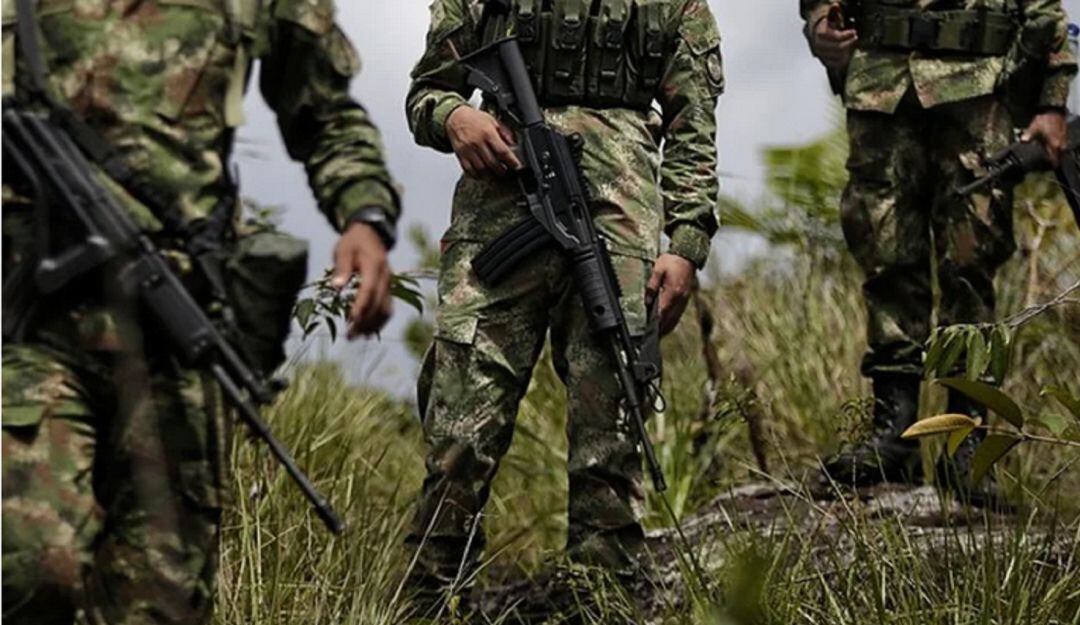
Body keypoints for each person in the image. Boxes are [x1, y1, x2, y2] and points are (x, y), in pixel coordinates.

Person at [1, 0, 400, 623]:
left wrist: (364, 217)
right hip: (29, 322)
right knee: (29, 566)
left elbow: (324, 111)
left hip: (175, 331)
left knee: (161, 601)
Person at [403, 0, 724, 614]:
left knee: (611, 424)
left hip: (619, 221)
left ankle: (601, 601)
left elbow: (694, 123)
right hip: (499, 208)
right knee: (460, 427)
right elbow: (425, 92)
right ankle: (431, 603)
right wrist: (455, 118)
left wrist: (686, 242)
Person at [802, 0, 1077, 503]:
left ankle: (965, 438)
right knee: (885, 256)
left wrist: (1052, 102)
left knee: (971, 263)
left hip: (977, 87)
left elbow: (1045, 9)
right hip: (882, 84)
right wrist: (819, 19)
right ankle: (894, 433)